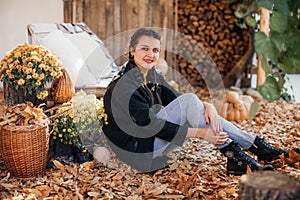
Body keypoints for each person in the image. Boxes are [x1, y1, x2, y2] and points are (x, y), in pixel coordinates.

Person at [102, 28, 294, 175]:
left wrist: (207, 106)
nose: (151, 55)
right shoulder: (123, 86)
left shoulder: (150, 74)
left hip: (149, 142)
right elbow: (151, 126)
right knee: (191, 102)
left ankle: (251, 146)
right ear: (131, 50)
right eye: (145, 49)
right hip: (138, 150)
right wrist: (201, 133)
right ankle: (239, 153)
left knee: (193, 103)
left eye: (155, 50)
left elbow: (178, 100)